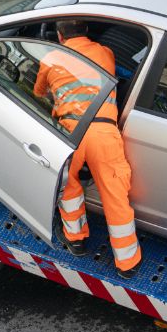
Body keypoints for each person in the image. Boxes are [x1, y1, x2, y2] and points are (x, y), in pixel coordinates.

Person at [33, 20, 142, 279]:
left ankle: (76, 240)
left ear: (59, 36)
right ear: (86, 31)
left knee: (68, 187)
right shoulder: (105, 52)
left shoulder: (50, 58)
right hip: (104, 131)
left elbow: (38, 92)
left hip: (70, 132)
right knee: (114, 194)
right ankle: (127, 263)